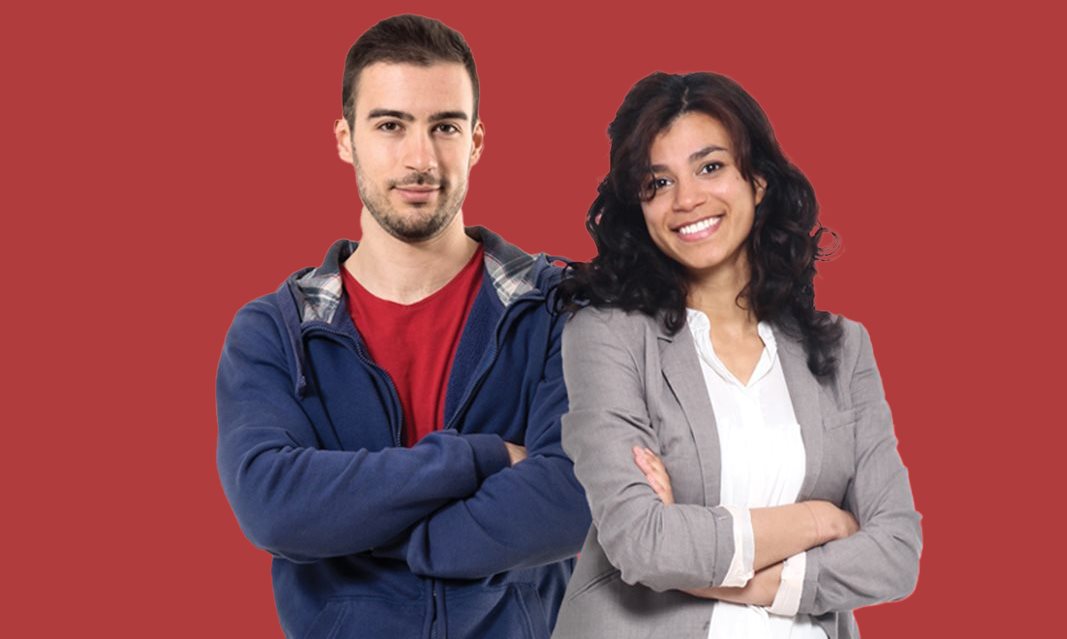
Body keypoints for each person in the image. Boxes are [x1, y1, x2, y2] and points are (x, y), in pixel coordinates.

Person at [215, 15, 590, 639]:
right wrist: (483, 457)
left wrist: (371, 530)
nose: (420, 158)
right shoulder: (274, 331)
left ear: (475, 141)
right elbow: (273, 504)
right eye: (390, 125)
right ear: (346, 138)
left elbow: (576, 495)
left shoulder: (555, 308)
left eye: (444, 127)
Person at [551, 71, 921, 639]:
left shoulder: (844, 349)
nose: (687, 199)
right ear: (639, 206)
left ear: (759, 182)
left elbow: (895, 552)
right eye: (658, 182)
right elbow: (644, 544)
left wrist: (720, 571)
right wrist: (821, 520)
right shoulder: (608, 339)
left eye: (710, 167)